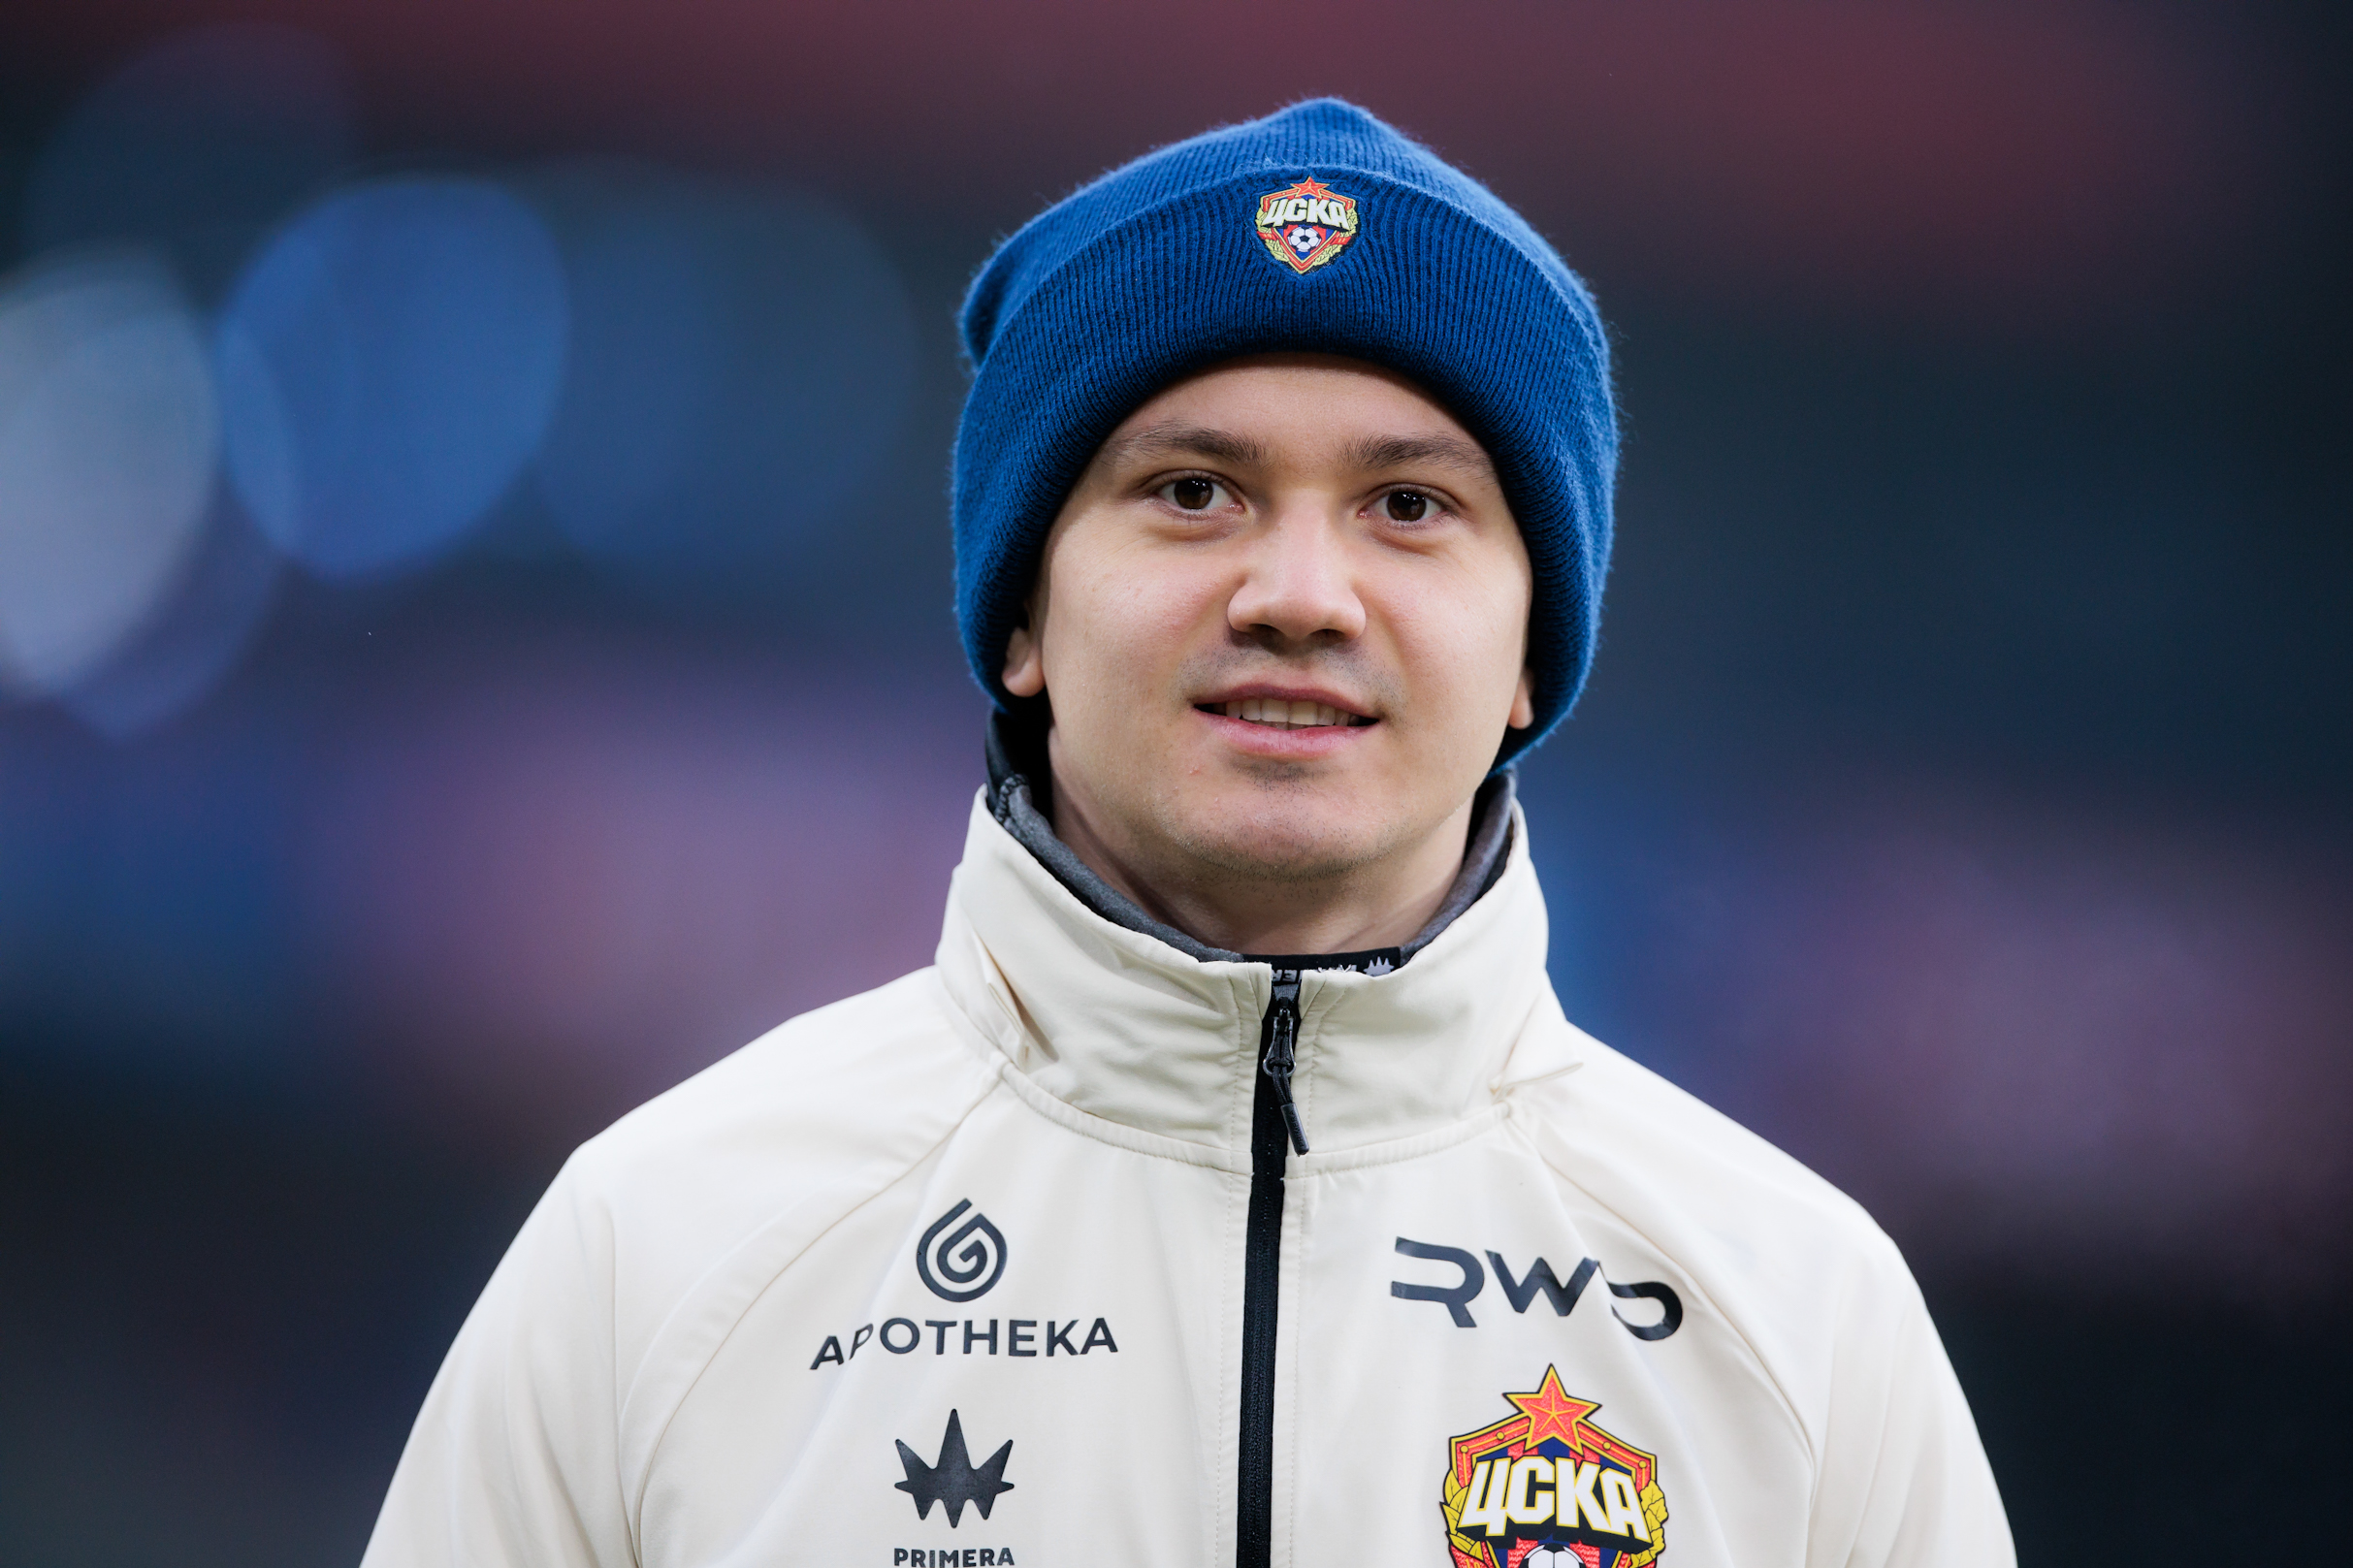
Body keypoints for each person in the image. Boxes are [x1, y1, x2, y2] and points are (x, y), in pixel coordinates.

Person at [362, 99, 2013, 1568]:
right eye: (1191, 491)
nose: (1297, 595)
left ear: (1533, 646)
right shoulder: (660, 1247)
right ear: (1022, 612)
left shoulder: (1799, 1318)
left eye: (1410, 505)